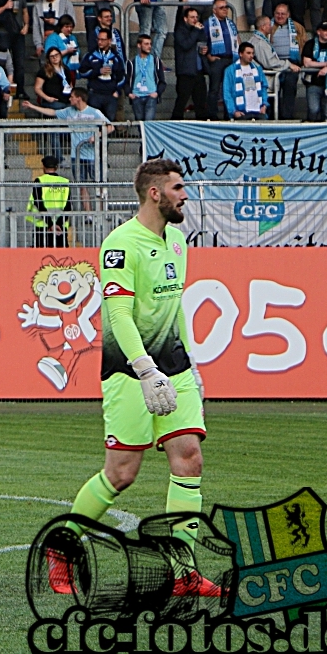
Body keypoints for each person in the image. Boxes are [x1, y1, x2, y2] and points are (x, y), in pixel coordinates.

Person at [48, 158, 216, 599]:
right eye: (178, 188)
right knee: (122, 474)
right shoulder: (120, 244)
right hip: (130, 371)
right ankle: (61, 548)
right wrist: (144, 370)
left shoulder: (178, 241)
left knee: (189, 458)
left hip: (174, 367)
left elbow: (175, 305)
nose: (185, 195)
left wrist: (190, 365)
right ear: (155, 193)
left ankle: (183, 571)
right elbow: (118, 314)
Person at [249, 9, 300, 120]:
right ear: (263, 27)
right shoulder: (260, 42)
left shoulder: (260, 40)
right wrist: (288, 64)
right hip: (265, 79)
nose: (271, 27)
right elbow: (270, 62)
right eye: (268, 24)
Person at [202, 0, 238, 120]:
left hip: (231, 59)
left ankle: (229, 114)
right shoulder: (208, 23)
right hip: (217, 60)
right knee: (214, 89)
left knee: (229, 88)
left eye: (226, 7)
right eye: (221, 7)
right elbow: (202, 42)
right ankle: (212, 115)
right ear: (214, 10)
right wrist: (209, 56)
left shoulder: (231, 23)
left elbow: (237, 39)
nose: (225, 9)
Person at [27, 155, 71, 248]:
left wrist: (50, 224)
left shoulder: (39, 181)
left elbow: (38, 203)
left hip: (42, 225)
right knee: (60, 258)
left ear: (43, 167)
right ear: (56, 167)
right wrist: (58, 224)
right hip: (60, 227)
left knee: (40, 257)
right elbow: (68, 206)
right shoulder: (65, 182)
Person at [224, 42, 269, 120]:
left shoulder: (258, 69)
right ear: (240, 54)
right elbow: (227, 93)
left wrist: (264, 105)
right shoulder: (230, 71)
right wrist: (234, 111)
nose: (251, 55)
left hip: (258, 111)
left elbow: (264, 87)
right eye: (248, 53)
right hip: (241, 112)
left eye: (252, 53)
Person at [128, 34, 164, 121]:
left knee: (149, 123)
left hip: (151, 96)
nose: (149, 46)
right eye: (146, 44)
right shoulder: (132, 62)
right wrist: (129, 94)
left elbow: (162, 80)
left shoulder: (156, 61)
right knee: (140, 124)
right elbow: (127, 79)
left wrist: (157, 93)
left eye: (150, 44)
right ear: (139, 45)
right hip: (136, 96)